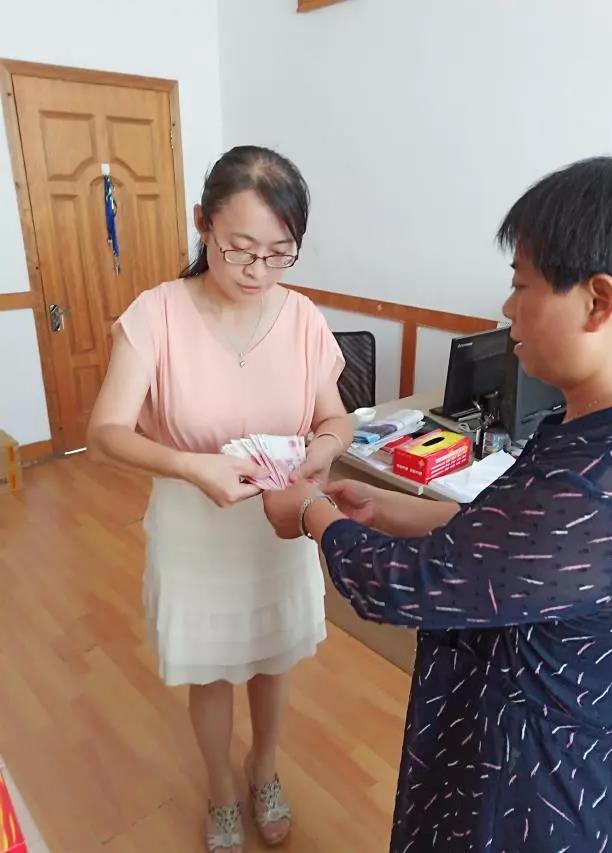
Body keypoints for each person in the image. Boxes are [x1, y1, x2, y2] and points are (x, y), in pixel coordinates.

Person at [263, 155, 612, 852]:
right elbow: (512, 540)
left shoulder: (593, 487)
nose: (508, 308)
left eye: (521, 284)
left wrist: (313, 512)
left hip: (534, 783)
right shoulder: (597, 435)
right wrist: (387, 507)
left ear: (598, 302)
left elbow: (409, 583)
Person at [87, 145, 352, 852]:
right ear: (202, 223)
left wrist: (325, 447)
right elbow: (104, 432)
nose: (257, 271)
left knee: (272, 658)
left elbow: (334, 417)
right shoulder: (156, 315)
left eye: (278, 254)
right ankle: (220, 788)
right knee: (209, 671)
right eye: (239, 249)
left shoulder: (301, 317)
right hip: (194, 525)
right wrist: (189, 465)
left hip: (278, 523)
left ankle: (262, 768)